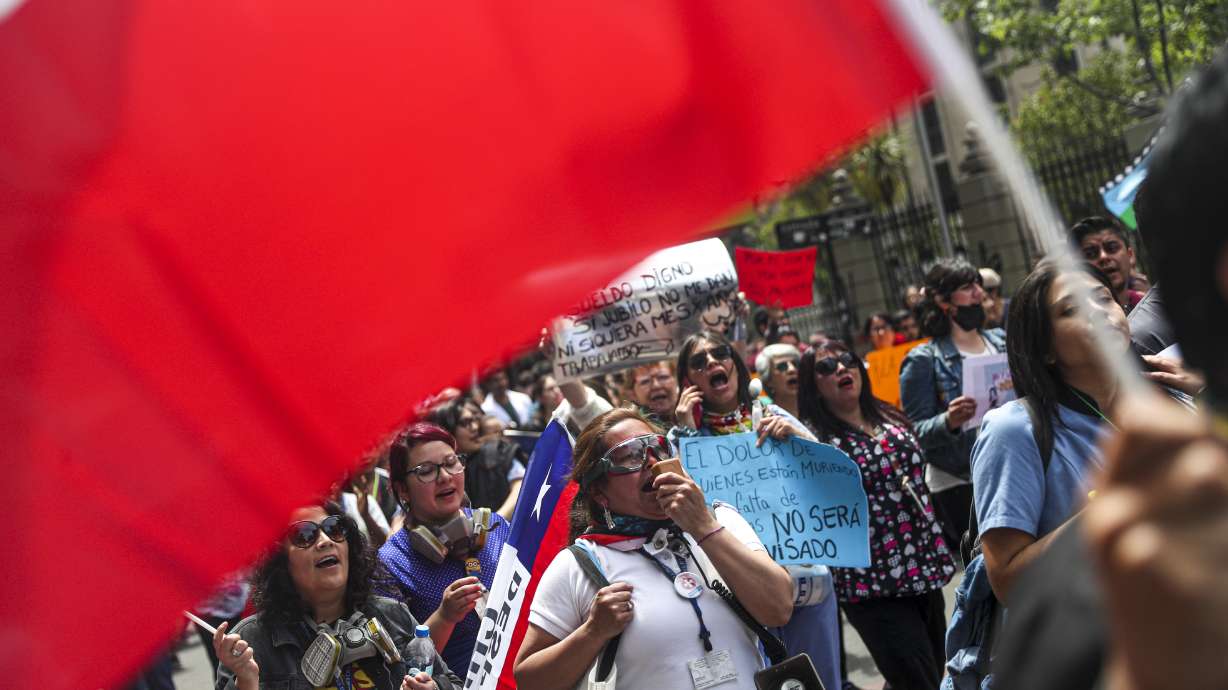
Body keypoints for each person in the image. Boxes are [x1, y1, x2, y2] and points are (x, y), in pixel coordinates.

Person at [994, 49, 1228, 690]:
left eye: (1104, 296)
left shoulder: (1176, 403)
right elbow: (1008, 577)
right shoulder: (1109, 602)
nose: (1102, 313)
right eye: (1075, 307)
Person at [513, 409, 794, 690]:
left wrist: (702, 527)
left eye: (658, 447)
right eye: (630, 455)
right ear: (599, 493)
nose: (651, 461)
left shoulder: (721, 520)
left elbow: (779, 609)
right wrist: (592, 632)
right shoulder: (579, 563)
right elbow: (529, 681)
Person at [669, 330, 839, 690]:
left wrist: (798, 439)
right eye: (699, 361)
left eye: (720, 353)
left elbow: (831, 474)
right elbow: (681, 504)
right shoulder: (681, 437)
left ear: (734, 363)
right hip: (739, 582)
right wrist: (685, 433)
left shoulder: (771, 414)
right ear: (688, 381)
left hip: (803, 570)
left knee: (821, 678)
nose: (712, 362)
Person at [797, 341, 955, 690]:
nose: (841, 368)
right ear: (813, 385)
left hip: (921, 565)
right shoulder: (811, 439)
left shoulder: (886, 415)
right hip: (871, 585)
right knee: (919, 681)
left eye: (847, 360)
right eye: (826, 367)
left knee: (931, 667)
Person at [214, 503, 460, 690]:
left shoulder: (392, 614)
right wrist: (246, 682)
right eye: (305, 535)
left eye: (333, 529)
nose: (325, 541)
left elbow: (453, 683)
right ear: (280, 560)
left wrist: (433, 687)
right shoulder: (250, 642)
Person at [377, 423, 512, 677]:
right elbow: (399, 669)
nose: (445, 477)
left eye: (451, 463)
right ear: (403, 489)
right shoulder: (390, 563)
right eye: (426, 471)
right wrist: (445, 617)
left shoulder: (497, 526)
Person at [900, 259, 1007, 560]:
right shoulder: (923, 359)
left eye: (978, 285)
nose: (979, 293)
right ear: (943, 301)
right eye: (967, 287)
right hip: (961, 484)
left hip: (1007, 466)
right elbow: (914, 433)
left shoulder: (1001, 341)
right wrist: (949, 421)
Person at [429, 397, 525, 519]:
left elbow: (521, 486)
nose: (475, 427)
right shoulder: (438, 471)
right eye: (465, 423)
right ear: (447, 430)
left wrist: (494, 523)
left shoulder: (499, 451)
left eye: (474, 420)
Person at [1070, 216, 1145, 313]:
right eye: (1090, 254)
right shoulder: (1078, 317)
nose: (1103, 257)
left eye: (1112, 248)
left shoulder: (1151, 305)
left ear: (1130, 256)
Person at [619, 359, 679, 428]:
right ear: (632, 394)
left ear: (676, 381)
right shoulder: (634, 429)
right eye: (645, 381)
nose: (656, 385)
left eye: (663, 377)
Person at [754, 343, 802, 418]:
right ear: (768, 380)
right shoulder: (763, 419)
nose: (792, 369)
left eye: (795, 364)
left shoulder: (818, 409)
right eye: (782, 367)